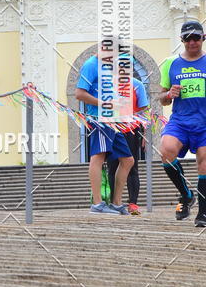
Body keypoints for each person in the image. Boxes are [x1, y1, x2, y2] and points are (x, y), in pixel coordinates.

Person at [75, 49, 135, 215]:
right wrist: (105, 104)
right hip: (100, 119)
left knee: (128, 160)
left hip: (113, 121)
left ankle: (116, 203)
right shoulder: (90, 65)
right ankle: (98, 204)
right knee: (98, 156)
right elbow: (79, 93)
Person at [159, 20, 206, 227]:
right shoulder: (170, 63)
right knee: (166, 151)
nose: (192, 42)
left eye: (196, 37)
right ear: (181, 40)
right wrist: (169, 94)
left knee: (204, 162)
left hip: (204, 123)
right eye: (188, 38)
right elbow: (162, 98)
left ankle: (203, 214)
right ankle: (186, 196)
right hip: (180, 120)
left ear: (203, 38)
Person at [107, 75, 149, 215]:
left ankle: (133, 203)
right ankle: (114, 202)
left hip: (131, 129)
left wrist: (145, 134)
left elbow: (144, 110)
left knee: (132, 166)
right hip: (112, 128)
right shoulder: (108, 82)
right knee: (112, 166)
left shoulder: (137, 84)